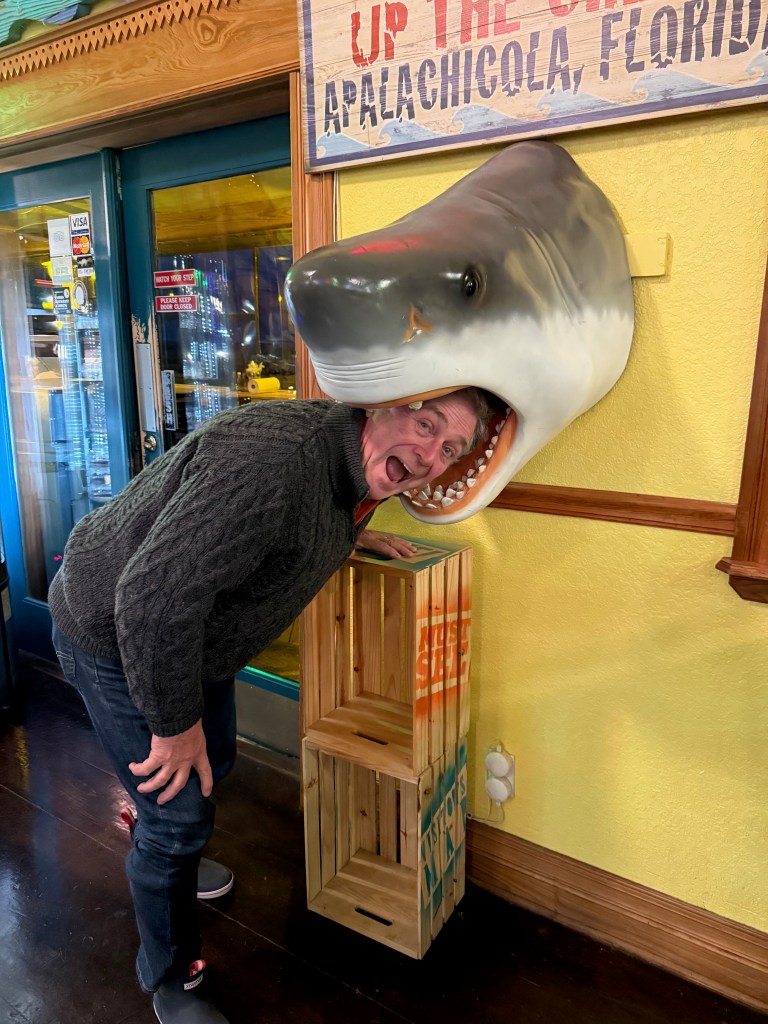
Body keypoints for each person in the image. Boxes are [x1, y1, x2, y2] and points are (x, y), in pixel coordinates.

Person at [49, 388, 494, 1024]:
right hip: (115, 633)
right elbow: (150, 602)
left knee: (215, 760)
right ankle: (171, 978)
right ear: (383, 405)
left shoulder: (352, 464)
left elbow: (301, 514)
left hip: (191, 641)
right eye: (426, 425)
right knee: (177, 816)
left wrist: (347, 539)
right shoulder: (276, 460)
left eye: (449, 448)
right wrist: (174, 729)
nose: (430, 456)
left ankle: (173, 859)